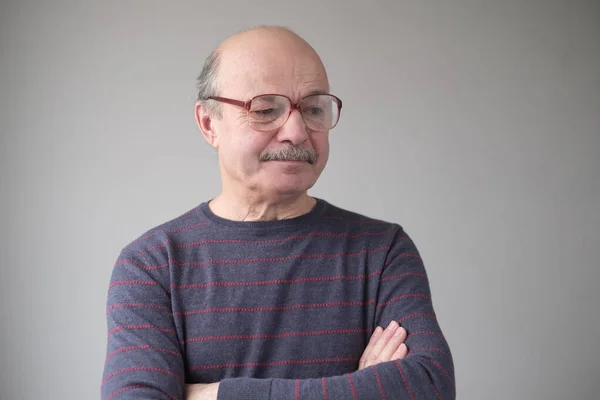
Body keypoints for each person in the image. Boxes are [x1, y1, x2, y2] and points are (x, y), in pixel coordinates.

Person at [101, 26, 454, 400]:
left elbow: (429, 386)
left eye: (314, 108)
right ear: (208, 123)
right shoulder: (152, 265)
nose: (297, 131)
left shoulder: (382, 251)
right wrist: (360, 387)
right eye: (266, 109)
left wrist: (217, 395)